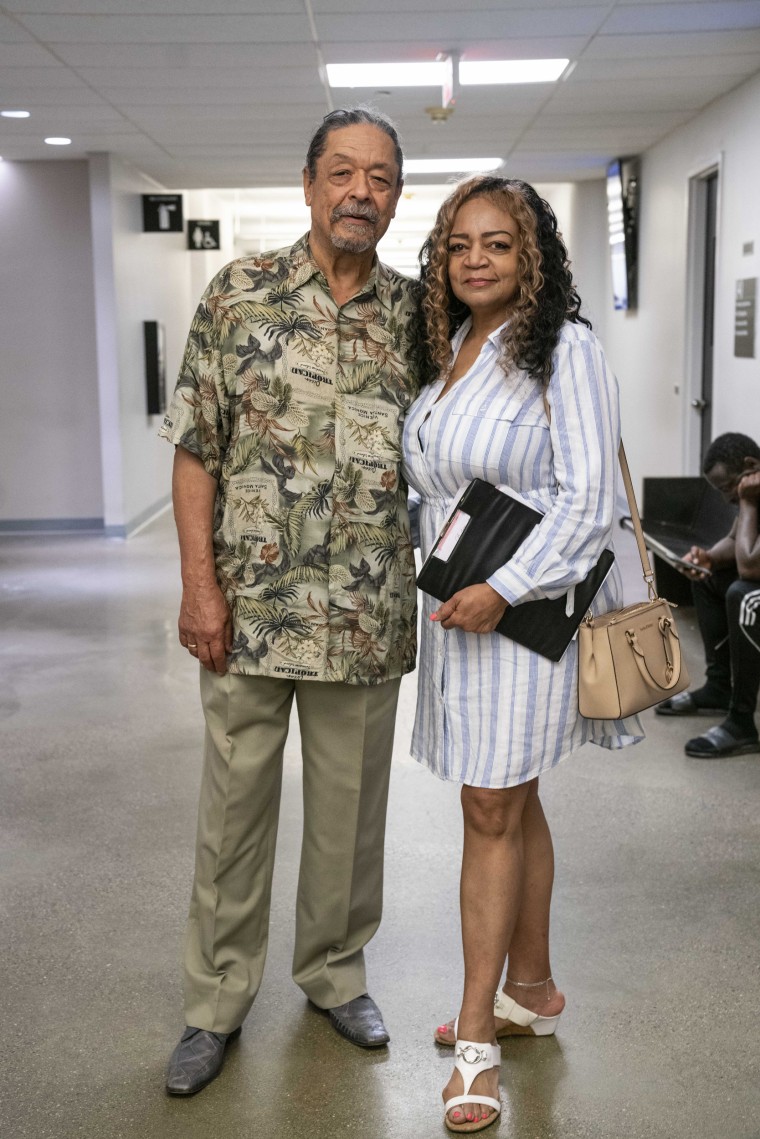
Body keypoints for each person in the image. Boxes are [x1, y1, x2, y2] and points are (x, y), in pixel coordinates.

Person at [159, 107, 420, 1096]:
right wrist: (198, 584)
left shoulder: (416, 316)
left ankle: (334, 973)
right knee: (232, 813)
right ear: (310, 184)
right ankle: (214, 1001)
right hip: (250, 610)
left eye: (381, 178)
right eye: (343, 173)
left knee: (351, 819)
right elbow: (196, 450)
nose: (361, 192)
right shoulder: (240, 295)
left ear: (396, 197)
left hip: (364, 615)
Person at [401, 176, 644, 1132]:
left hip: (520, 614)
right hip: (460, 610)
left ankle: (476, 1042)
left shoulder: (565, 352)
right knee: (513, 794)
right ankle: (531, 986)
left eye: (497, 243)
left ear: (531, 254)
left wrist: (503, 587)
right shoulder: (454, 348)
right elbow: (437, 481)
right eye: (460, 243)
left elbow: (586, 502)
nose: (475, 259)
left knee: (489, 807)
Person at [655, 432, 760, 757]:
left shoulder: (750, 495)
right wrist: (709, 558)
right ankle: (718, 687)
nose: (728, 498)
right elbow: (735, 541)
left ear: (750, 465)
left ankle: (741, 723)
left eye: (728, 488)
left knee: (744, 597)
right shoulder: (753, 489)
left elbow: (750, 567)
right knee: (706, 577)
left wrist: (747, 501)